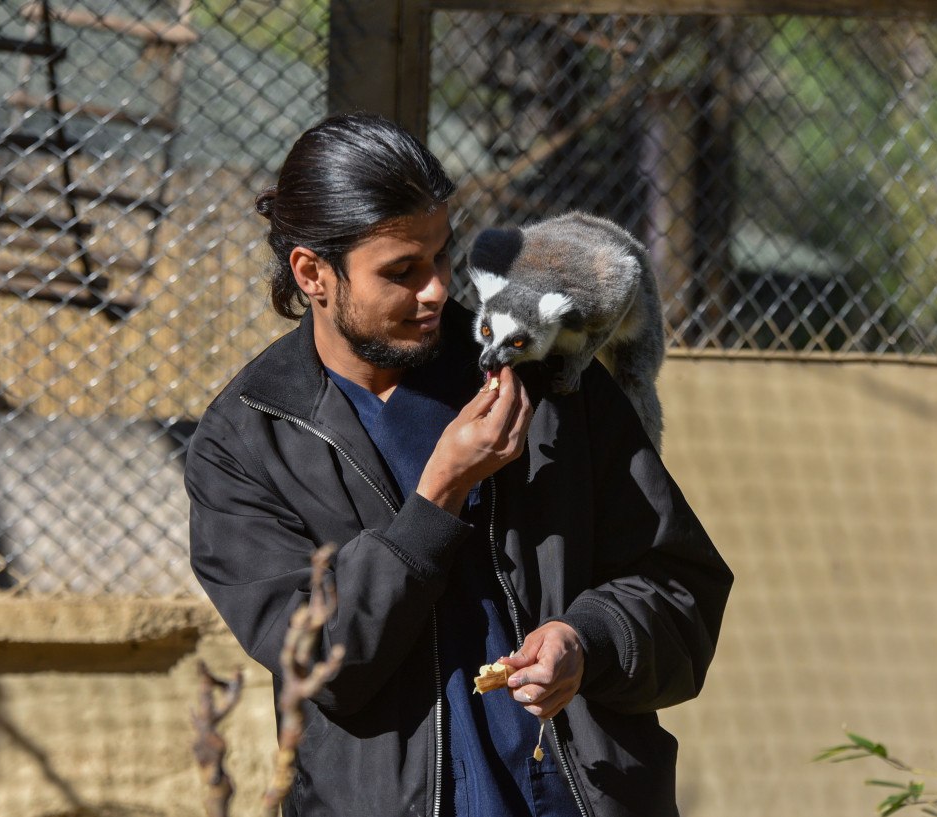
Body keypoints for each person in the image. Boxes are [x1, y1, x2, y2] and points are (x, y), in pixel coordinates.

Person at [185, 112, 733, 817]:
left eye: (442, 257)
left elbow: (681, 590)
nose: (438, 290)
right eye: (402, 271)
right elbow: (320, 662)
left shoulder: (543, 372)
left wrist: (586, 639)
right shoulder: (248, 441)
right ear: (312, 273)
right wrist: (438, 494)